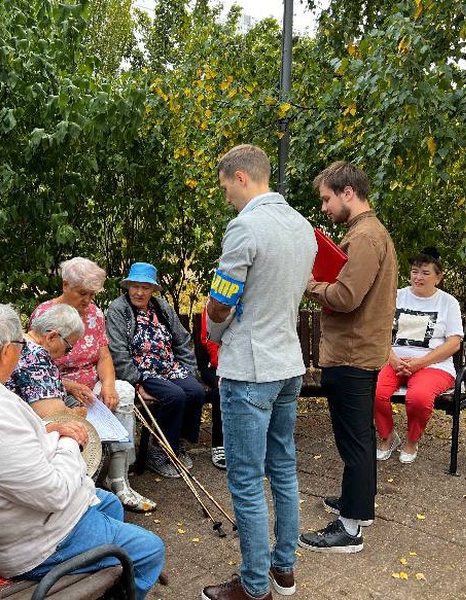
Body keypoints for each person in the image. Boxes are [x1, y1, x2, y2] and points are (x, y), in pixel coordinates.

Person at [0, 302, 165, 599]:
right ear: (7, 351)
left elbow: (2, 452)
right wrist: (72, 440)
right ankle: (108, 578)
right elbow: (56, 492)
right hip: (29, 544)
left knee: (108, 503)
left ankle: (104, 575)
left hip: (2, 518)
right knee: (150, 549)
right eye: (21, 344)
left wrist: (48, 430)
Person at [202, 144, 317, 600]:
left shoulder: (244, 226)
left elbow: (221, 300)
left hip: (250, 368)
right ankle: (282, 571)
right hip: (289, 363)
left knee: (246, 480)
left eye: (226, 186)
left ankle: (253, 587)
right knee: (284, 470)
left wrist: (213, 324)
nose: (226, 195)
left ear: (242, 177)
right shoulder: (303, 227)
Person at [298, 161, 397, 555]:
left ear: (348, 193)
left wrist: (309, 284)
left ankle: (350, 529)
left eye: (327, 199)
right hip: (357, 352)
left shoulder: (365, 237)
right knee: (360, 437)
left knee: (354, 442)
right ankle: (357, 505)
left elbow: (345, 296)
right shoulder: (366, 232)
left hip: (351, 355)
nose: (324, 207)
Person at [33, 257, 156, 513]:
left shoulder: (95, 314)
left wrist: (109, 385)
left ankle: (119, 479)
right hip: (59, 389)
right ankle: (81, 486)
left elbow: (104, 355)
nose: (87, 300)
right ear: (65, 285)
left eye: (91, 294)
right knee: (74, 416)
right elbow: (35, 367)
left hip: (92, 384)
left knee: (123, 392)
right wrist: (68, 385)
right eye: (82, 293)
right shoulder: (45, 315)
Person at [106, 262, 205, 479]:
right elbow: (117, 351)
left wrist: (189, 371)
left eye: (146, 287)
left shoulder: (161, 307)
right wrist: (136, 382)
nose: (139, 292)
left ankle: (176, 443)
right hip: (142, 371)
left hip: (169, 367)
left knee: (196, 391)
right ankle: (159, 452)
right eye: (135, 286)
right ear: (128, 286)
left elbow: (182, 340)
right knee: (174, 396)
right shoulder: (118, 309)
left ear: (153, 290)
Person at [373, 247, 463, 463]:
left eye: (425, 273)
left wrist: (419, 363)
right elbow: (379, 331)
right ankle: (387, 437)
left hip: (433, 365)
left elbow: (454, 343)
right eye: (415, 271)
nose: (418, 277)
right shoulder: (396, 296)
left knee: (419, 398)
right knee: (373, 392)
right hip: (393, 361)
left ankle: (411, 441)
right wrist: (393, 359)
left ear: (438, 277)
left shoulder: (448, 303)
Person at [5, 303, 87, 418]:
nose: (66, 354)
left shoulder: (19, 342)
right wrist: (76, 414)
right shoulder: (35, 356)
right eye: (68, 348)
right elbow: (53, 415)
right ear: (52, 337)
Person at [199, 305, 226, 469]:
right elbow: (210, 341)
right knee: (222, 390)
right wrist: (223, 367)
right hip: (212, 363)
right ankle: (219, 444)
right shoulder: (214, 305)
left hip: (239, 361)